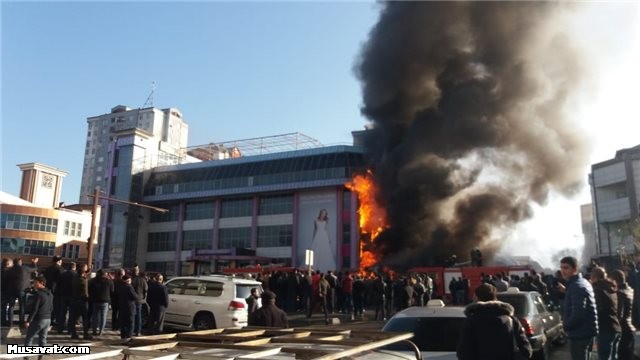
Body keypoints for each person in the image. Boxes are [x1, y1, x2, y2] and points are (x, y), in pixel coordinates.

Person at [457, 283, 532, 360]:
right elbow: (526, 349)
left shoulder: (471, 321)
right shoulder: (511, 320)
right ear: (495, 298)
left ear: (477, 298)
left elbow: (464, 351)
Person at [558, 256, 598, 360]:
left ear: (575, 269)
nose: (563, 271)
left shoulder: (577, 286)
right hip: (584, 332)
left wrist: (565, 326)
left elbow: (578, 314)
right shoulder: (580, 283)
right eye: (561, 268)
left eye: (566, 268)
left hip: (580, 334)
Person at [590, 266, 621, 360]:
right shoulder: (611, 287)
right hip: (616, 327)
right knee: (614, 356)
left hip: (604, 328)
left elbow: (596, 309)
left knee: (604, 357)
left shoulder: (597, 290)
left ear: (594, 277)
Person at [24, 276, 53, 359]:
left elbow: (34, 309)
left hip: (39, 319)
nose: (34, 284)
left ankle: (26, 357)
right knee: (43, 339)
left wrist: (28, 320)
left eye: (35, 282)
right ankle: (40, 358)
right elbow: (52, 307)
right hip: (48, 319)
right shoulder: (50, 293)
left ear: (41, 283)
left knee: (29, 338)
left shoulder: (38, 294)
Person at [608, 269, 635, 360]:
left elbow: (620, 314)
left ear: (614, 280)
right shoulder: (630, 290)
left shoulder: (620, 293)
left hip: (623, 330)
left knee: (621, 355)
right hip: (630, 327)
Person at [69, 263, 91, 340]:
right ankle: (85, 334)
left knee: (73, 318)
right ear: (82, 273)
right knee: (85, 318)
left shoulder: (74, 278)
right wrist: (87, 298)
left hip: (74, 299)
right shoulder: (84, 281)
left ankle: (73, 334)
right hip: (82, 301)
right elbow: (85, 292)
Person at [88, 269, 114, 336]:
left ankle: (94, 330)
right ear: (105, 274)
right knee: (103, 316)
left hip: (95, 300)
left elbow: (89, 289)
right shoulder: (109, 281)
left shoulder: (93, 281)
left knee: (95, 316)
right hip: (105, 301)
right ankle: (101, 331)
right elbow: (112, 291)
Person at [118, 275, 141, 340]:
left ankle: (123, 337)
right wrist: (138, 297)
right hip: (130, 308)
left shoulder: (120, 286)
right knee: (130, 323)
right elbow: (135, 297)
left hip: (122, 307)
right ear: (128, 280)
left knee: (123, 324)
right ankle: (128, 337)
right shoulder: (129, 287)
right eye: (130, 280)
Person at [131, 265, 148, 336]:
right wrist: (143, 297)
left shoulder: (131, 279)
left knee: (132, 316)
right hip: (140, 300)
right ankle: (138, 331)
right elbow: (146, 289)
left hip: (132, 300)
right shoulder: (143, 280)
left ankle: (132, 330)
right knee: (138, 316)